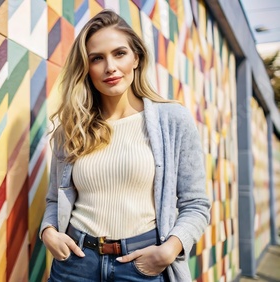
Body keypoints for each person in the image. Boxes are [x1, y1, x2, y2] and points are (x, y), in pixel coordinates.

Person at [40, 9, 210, 282]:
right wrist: (48, 231)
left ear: (136, 59)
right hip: (76, 265)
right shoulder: (72, 128)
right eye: (97, 58)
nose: (110, 67)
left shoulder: (172, 120)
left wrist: (169, 251)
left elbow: (196, 204)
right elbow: (54, 199)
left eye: (119, 53)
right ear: (86, 67)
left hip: (142, 265)